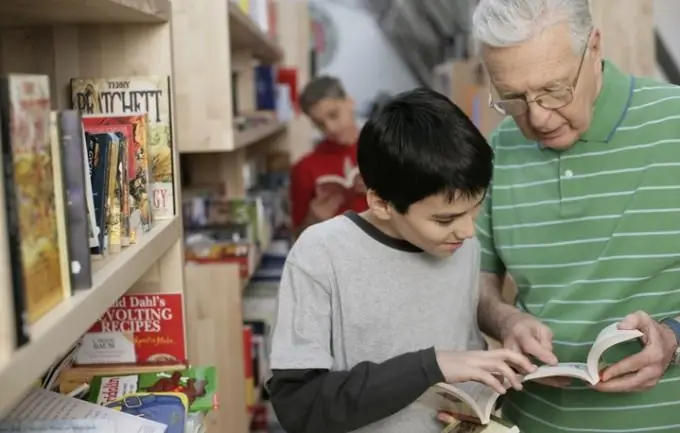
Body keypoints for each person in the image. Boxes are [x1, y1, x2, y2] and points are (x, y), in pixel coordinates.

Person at [454, 0, 680, 432]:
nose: (537, 117)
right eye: (513, 98)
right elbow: (477, 285)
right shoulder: (499, 150)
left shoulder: (675, 122)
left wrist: (674, 339)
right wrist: (507, 319)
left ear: (593, 49)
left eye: (555, 90)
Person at [267, 88, 537, 433]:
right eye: (444, 219)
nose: (468, 230)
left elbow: (464, 357)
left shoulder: (462, 245)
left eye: (476, 207)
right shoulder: (320, 254)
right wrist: (429, 366)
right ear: (381, 203)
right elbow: (299, 407)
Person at [289, 76, 368, 237]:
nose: (330, 128)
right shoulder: (304, 168)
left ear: (350, 102)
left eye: (334, 115)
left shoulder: (386, 150)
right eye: (320, 124)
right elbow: (297, 239)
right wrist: (313, 219)